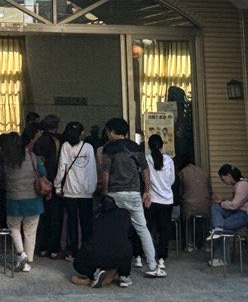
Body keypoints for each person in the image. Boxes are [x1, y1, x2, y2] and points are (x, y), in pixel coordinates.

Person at [98, 117, 162, 278]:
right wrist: (146, 192)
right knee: (142, 228)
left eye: (108, 132)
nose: (107, 135)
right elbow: (145, 171)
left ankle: (114, 268)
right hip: (133, 193)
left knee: (115, 230)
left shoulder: (109, 148)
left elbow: (105, 173)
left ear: (112, 131)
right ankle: (153, 265)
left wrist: (104, 192)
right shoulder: (135, 147)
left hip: (115, 194)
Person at [0, 131, 46, 272]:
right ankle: (27, 261)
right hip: (33, 200)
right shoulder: (32, 157)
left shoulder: (6, 160)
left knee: (14, 227)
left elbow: (0, 176)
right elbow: (43, 173)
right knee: (30, 231)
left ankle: (21, 253)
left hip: (14, 201)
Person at [70, 196, 136, 288]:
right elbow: (131, 235)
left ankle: (94, 273)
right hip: (120, 255)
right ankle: (124, 275)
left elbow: (88, 237)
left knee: (78, 263)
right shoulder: (124, 214)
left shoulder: (97, 216)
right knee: (126, 246)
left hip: (98, 255)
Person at [56, 121, 98, 260]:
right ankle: (87, 251)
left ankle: (72, 252)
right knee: (86, 222)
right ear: (82, 133)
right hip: (87, 191)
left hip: (70, 190)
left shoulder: (66, 146)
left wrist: (57, 185)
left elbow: (62, 168)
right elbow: (92, 169)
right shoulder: (89, 147)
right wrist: (93, 187)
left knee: (72, 223)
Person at [208, 164, 248, 267]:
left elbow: (234, 205)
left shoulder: (242, 185)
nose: (223, 181)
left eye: (223, 179)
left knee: (223, 225)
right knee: (215, 209)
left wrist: (222, 203)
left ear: (229, 175)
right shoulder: (241, 183)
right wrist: (223, 201)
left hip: (245, 214)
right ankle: (218, 228)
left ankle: (221, 257)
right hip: (239, 212)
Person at [33, 115, 64, 258]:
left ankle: (42, 247)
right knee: (55, 217)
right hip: (54, 181)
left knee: (42, 217)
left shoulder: (39, 140)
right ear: (56, 126)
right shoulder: (58, 141)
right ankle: (53, 249)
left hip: (40, 183)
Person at [144, 134, 177, 269]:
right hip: (167, 200)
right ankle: (162, 258)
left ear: (149, 146)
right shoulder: (169, 160)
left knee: (148, 228)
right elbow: (172, 180)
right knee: (164, 229)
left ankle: (148, 255)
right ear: (162, 146)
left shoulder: (147, 159)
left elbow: (145, 179)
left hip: (152, 200)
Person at [178, 153, 211, 249]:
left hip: (189, 207)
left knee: (186, 220)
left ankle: (189, 244)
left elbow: (180, 191)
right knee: (204, 221)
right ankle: (206, 244)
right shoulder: (204, 172)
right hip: (205, 206)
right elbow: (210, 190)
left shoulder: (182, 172)